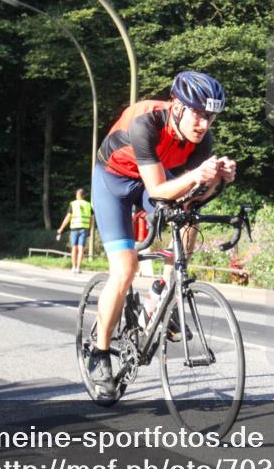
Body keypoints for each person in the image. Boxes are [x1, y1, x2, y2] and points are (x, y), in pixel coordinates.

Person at [89, 71, 237, 397]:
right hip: (112, 183)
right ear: (177, 106)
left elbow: (190, 195)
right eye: (198, 113)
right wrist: (198, 174)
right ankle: (99, 354)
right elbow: (158, 190)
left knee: (188, 215)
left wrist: (217, 179)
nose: (204, 123)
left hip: (148, 181)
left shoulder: (202, 140)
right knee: (125, 268)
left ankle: (165, 291)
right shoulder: (147, 124)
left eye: (210, 116)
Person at [55, 188, 93, 273]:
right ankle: (78, 268)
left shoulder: (73, 204)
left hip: (75, 228)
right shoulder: (88, 205)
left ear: (77, 195)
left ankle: (73, 267)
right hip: (84, 228)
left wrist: (61, 228)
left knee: (74, 248)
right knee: (81, 248)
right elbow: (91, 219)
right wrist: (89, 229)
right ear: (84, 195)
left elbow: (68, 217)